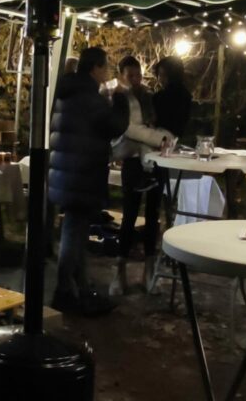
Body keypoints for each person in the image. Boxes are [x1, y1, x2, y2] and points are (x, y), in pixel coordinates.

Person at [49, 47, 129, 315]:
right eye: (105, 67)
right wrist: (120, 98)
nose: (107, 73)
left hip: (67, 173)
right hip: (81, 174)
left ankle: (80, 288)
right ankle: (64, 291)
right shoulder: (89, 97)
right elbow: (115, 126)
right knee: (74, 234)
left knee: (76, 232)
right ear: (96, 68)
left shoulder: (68, 93)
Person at [110, 56, 173, 296]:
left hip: (153, 160)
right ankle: (119, 271)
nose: (136, 79)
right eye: (130, 75)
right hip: (132, 161)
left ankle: (149, 270)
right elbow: (127, 128)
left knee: (153, 215)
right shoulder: (118, 97)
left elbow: (152, 123)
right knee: (129, 214)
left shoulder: (149, 96)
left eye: (138, 75)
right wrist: (158, 137)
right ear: (122, 75)